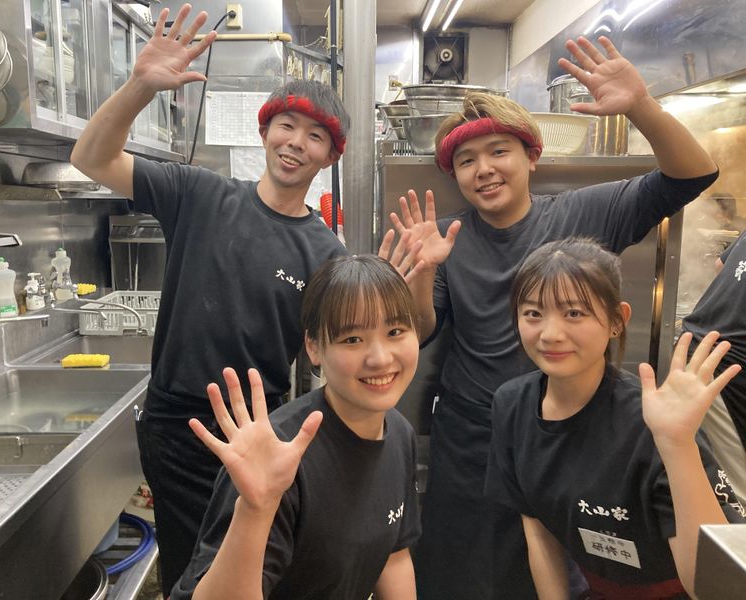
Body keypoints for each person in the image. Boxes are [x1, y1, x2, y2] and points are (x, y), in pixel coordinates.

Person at [383, 36, 720, 599]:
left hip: (570, 435)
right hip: (470, 434)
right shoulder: (445, 238)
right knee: (456, 570)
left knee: (548, 567)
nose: (484, 169)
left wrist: (641, 106)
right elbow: (419, 334)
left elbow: (693, 175)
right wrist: (419, 276)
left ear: (531, 157)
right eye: (466, 161)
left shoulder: (582, 212)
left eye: (498, 152)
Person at [70, 5, 351, 596]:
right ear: (265, 131)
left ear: (331, 156)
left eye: (316, 136)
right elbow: (91, 159)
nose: (296, 143)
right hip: (180, 425)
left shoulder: (326, 251)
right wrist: (141, 85)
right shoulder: (198, 193)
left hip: (259, 428)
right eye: (287, 126)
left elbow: (335, 351)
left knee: (252, 571)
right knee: (189, 571)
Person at [485, 237, 745, 598]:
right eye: (533, 313)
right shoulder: (511, 404)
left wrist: (678, 445)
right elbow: (538, 529)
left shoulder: (654, 421)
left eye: (574, 313)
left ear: (617, 321)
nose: (550, 334)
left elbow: (714, 585)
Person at [171, 254, 421, 599]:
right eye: (352, 339)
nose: (380, 358)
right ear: (314, 347)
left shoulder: (400, 434)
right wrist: (256, 511)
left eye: (395, 332)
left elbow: (393, 556)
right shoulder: (279, 457)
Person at [682, 228, 746, 501]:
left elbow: (720, 265)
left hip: (698, 346)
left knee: (707, 475)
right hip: (727, 366)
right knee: (737, 491)